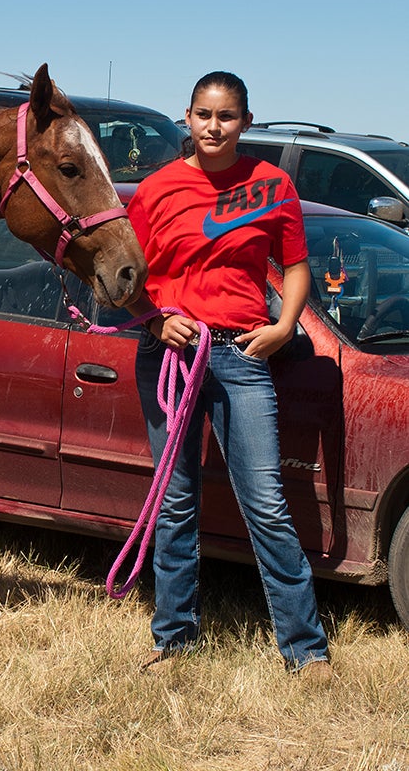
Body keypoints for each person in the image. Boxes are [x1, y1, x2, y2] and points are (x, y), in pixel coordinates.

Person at [126, 71, 331, 680]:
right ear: (187, 118)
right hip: (169, 356)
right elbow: (124, 275)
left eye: (227, 116)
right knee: (175, 501)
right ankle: (174, 639)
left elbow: (296, 266)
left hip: (241, 356)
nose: (214, 127)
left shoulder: (272, 185)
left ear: (245, 121)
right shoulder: (156, 190)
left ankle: (306, 649)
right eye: (203, 114)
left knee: (265, 501)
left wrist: (284, 327)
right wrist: (155, 320)